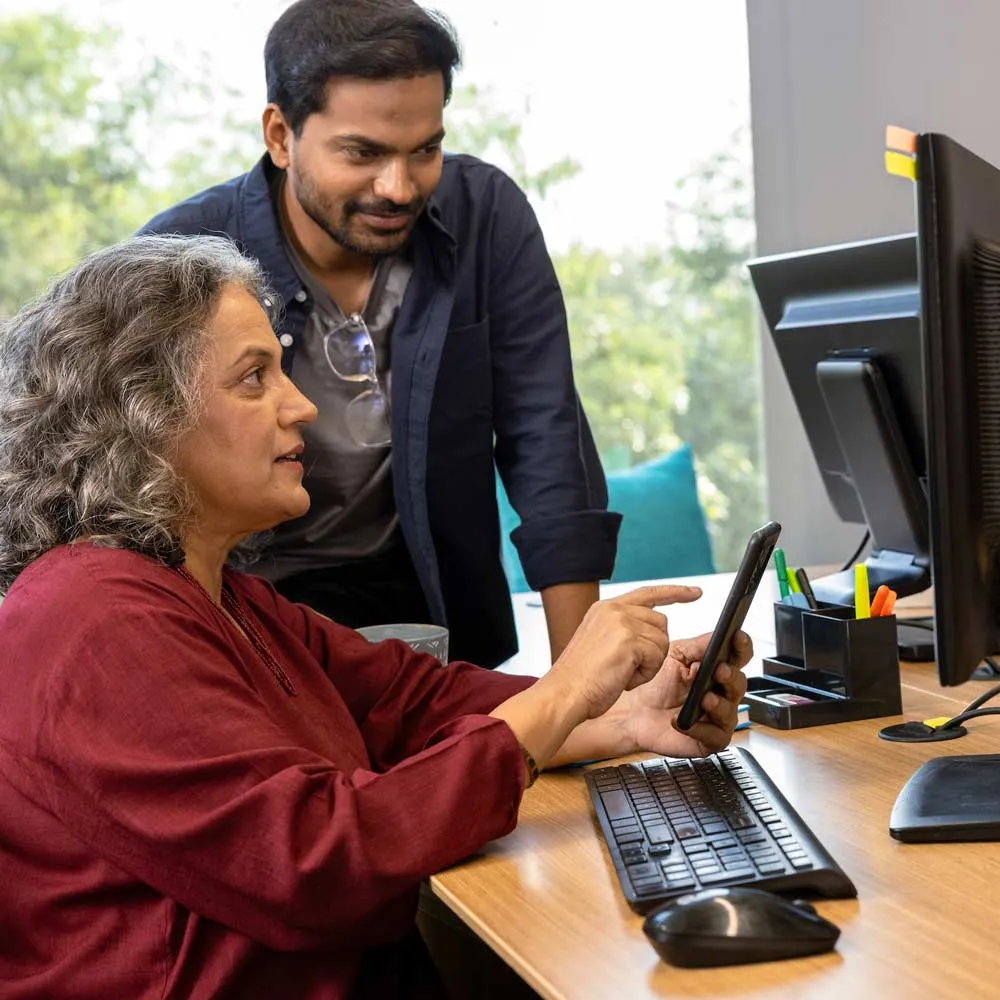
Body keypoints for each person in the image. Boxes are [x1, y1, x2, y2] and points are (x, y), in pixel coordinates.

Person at [0, 235, 750, 1000]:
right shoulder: (92, 621)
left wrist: (623, 713)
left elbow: (409, 704)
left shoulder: (221, 599)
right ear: (145, 417)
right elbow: (315, 861)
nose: (302, 405)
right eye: (255, 378)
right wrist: (562, 694)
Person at [140, 0, 622, 670]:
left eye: (424, 150)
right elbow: (130, 487)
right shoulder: (180, 258)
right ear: (281, 135)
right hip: (255, 622)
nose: (398, 188)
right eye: (362, 153)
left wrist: (585, 689)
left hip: (441, 617)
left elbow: (546, 439)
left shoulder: (487, 217)